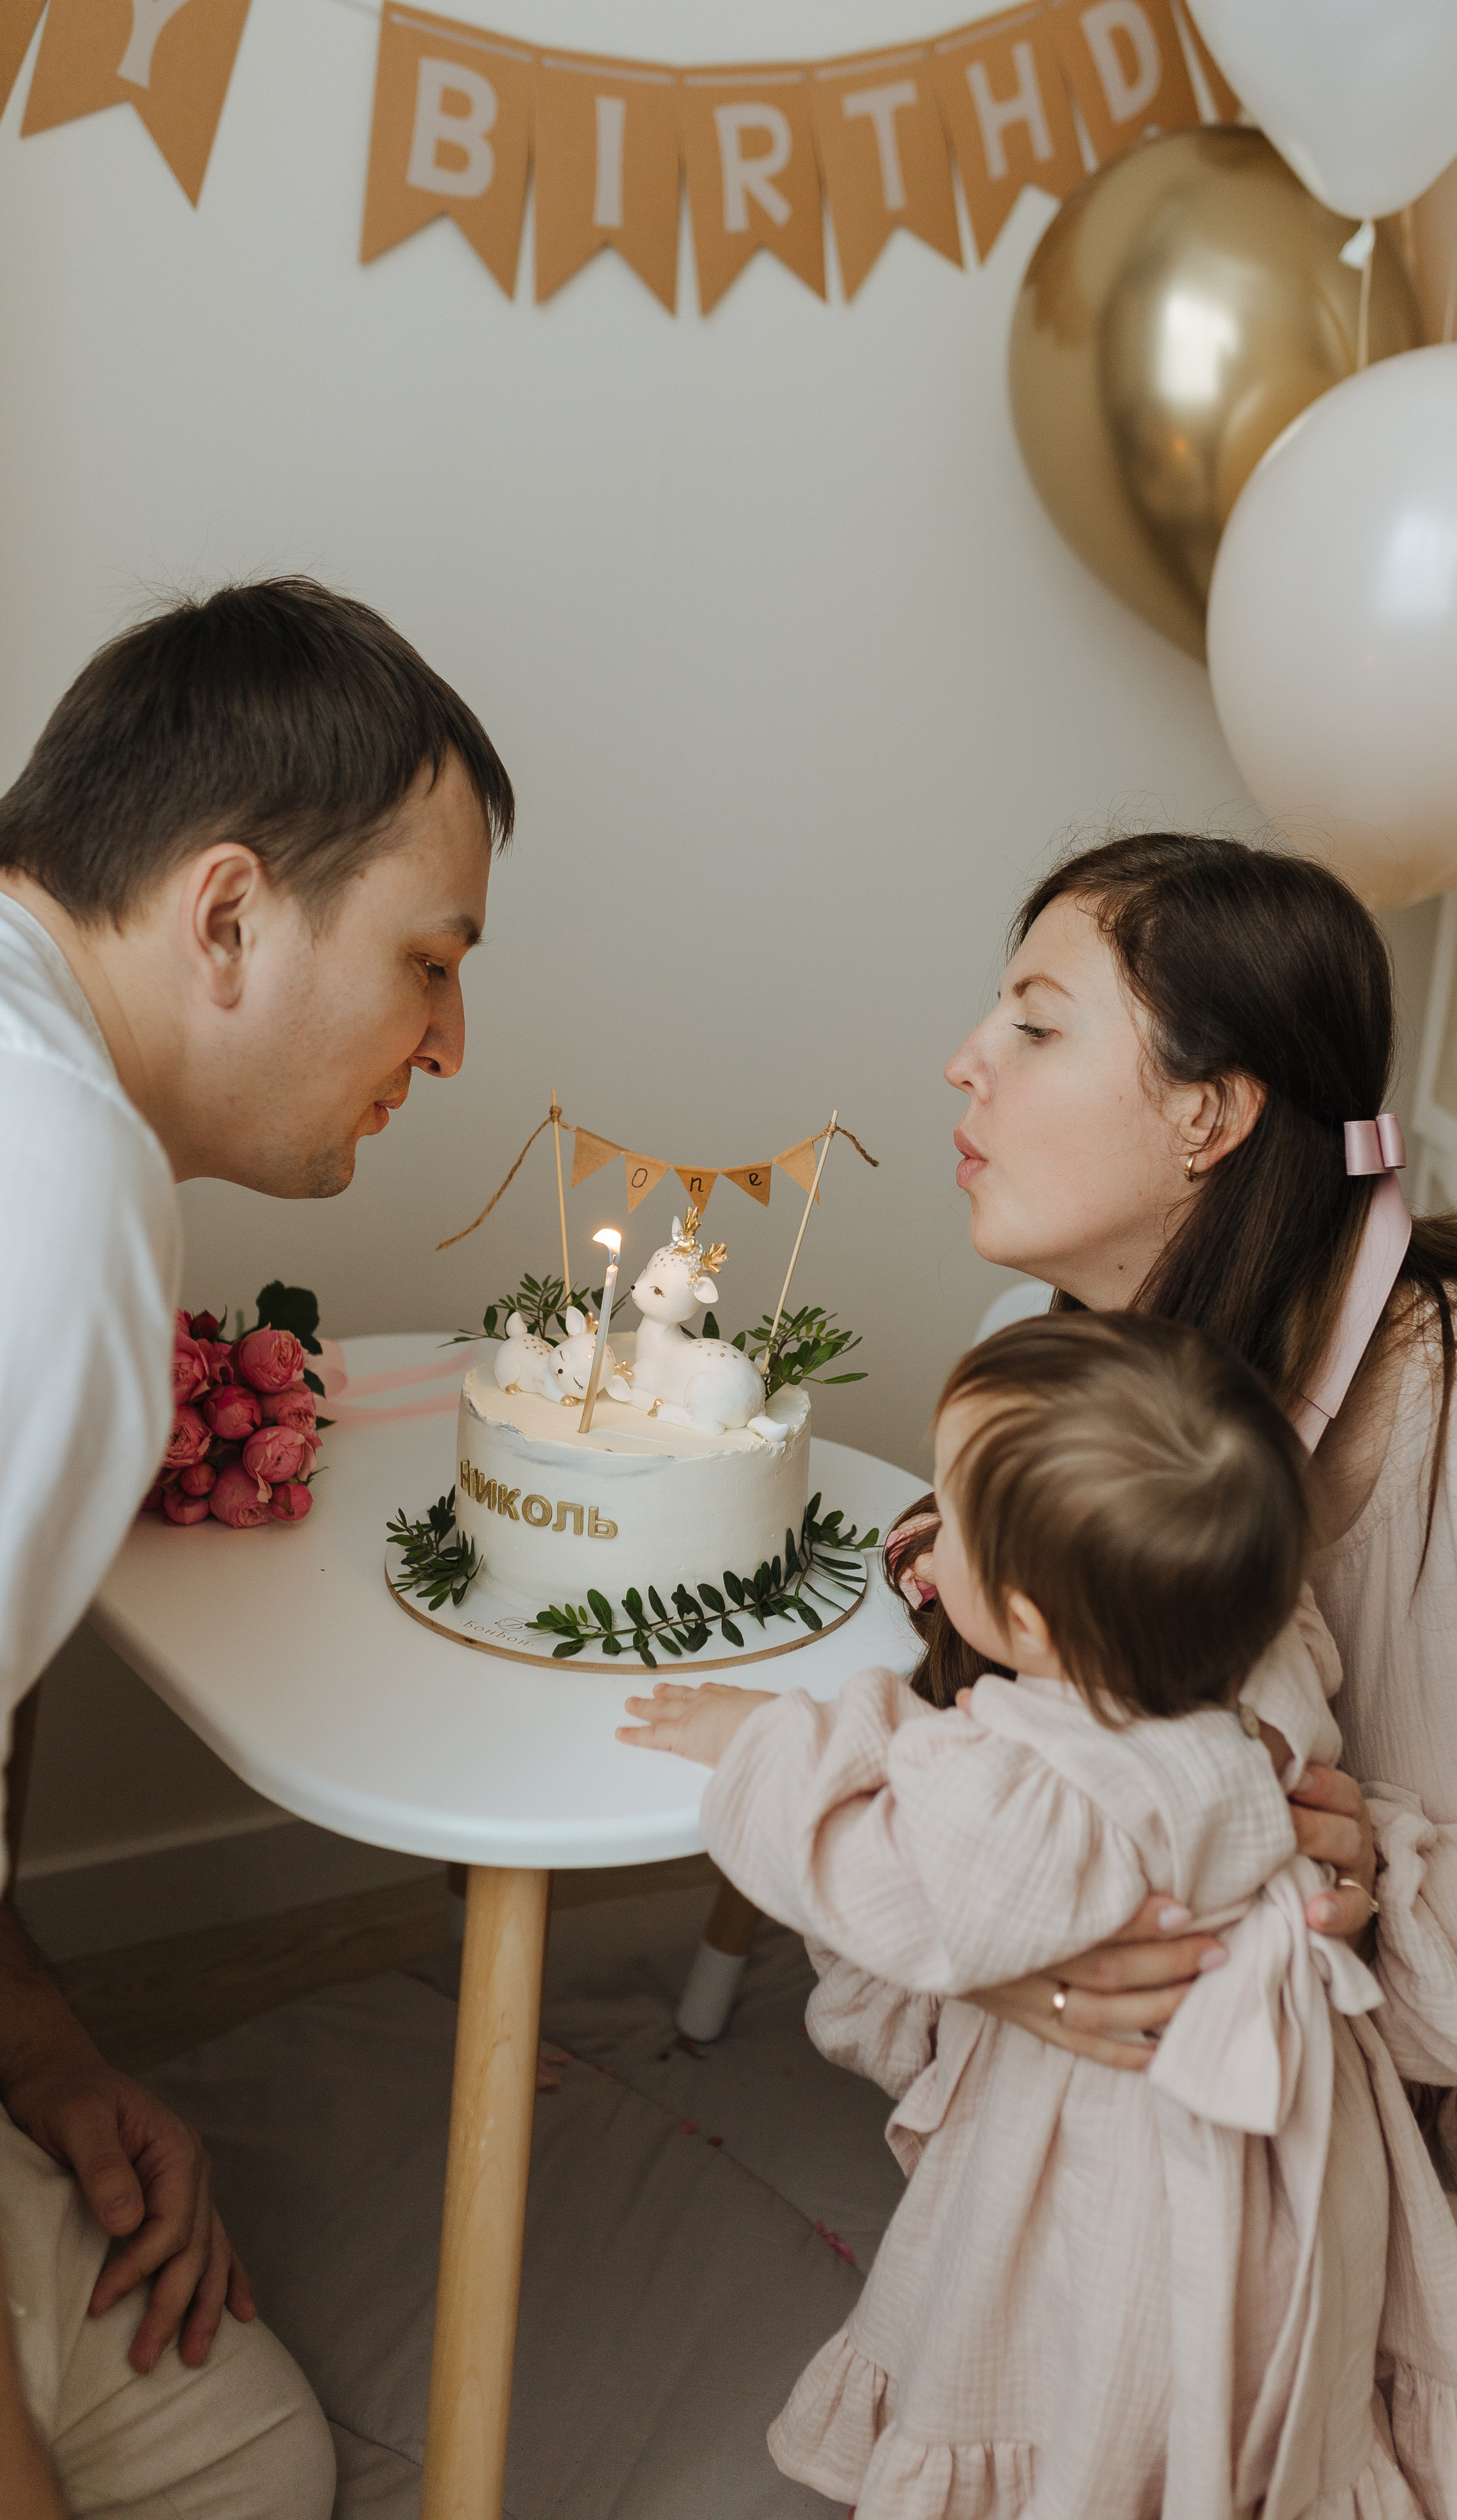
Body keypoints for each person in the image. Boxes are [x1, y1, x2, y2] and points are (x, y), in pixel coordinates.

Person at [885, 831, 1457, 2519]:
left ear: (1208, 1113)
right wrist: (1044, 1959)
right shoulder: (1042, 1385)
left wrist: (1385, 1878)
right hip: (1291, 2067)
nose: (962, 1057)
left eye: (1035, 1023)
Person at [618, 1312, 1457, 2519]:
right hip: (1280, 2149)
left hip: (1130, 2156)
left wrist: (754, 1742)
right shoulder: (1243, 1712)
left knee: (1082, 2384)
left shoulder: (1037, 1796)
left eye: (951, 1517)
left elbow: (877, 1871)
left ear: (1022, 1617)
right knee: (1233, 2394)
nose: (931, 1532)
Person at [0, 578, 513, 2513]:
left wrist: (49, 2054)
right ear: (227, 915)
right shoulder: (51, 1178)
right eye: (429, 960)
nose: (453, 1040)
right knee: (241, 2468)